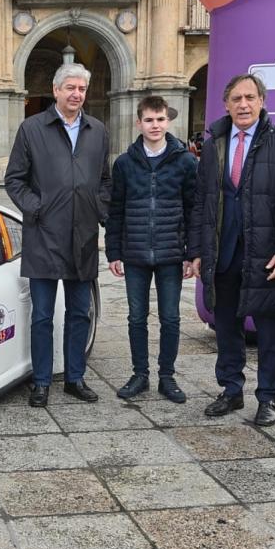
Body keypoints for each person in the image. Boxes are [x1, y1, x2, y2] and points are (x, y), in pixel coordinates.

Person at [187, 74, 275, 427]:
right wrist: (197, 250)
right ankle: (231, 389)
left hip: (266, 257)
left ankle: (269, 397)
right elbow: (202, 202)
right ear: (226, 105)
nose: (243, 105)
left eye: (250, 98)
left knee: (270, 331)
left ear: (261, 102)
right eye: (236, 99)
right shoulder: (213, 145)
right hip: (222, 255)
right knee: (226, 327)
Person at [4, 63, 111, 407]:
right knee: (42, 315)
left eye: (81, 89)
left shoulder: (98, 131)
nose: (76, 94)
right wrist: (38, 208)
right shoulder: (32, 128)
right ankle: (41, 381)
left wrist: (99, 208)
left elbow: (105, 181)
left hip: (83, 239)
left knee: (80, 312)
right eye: (70, 88)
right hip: (44, 237)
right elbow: (14, 179)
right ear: (55, 91)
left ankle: (75, 378)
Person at [106, 95, 197, 404]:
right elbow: (115, 210)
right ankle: (140, 374)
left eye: (160, 119)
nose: (155, 125)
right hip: (135, 254)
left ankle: (167, 376)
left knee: (170, 318)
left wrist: (191, 253)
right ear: (139, 123)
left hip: (172, 254)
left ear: (167, 121)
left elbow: (193, 209)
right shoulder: (124, 163)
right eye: (149, 120)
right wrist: (113, 252)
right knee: (136, 317)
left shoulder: (185, 161)